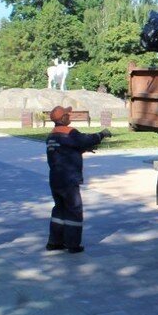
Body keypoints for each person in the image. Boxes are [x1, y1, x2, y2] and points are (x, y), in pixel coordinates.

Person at [45, 106, 112, 253]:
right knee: (74, 210)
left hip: (55, 178)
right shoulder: (70, 132)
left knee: (59, 209)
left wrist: (81, 149)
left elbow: (64, 150)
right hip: (69, 179)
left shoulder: (51, 136)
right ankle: (73, 244)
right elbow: (86, 140)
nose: (70, 116)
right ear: (62, 118)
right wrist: (102, 134)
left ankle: (54, 242)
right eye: (67, 114)